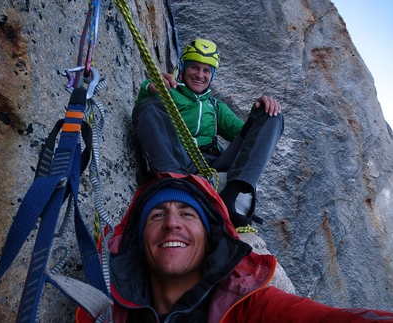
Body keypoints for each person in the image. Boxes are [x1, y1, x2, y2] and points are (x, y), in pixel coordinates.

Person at [76, 172, 393, 323]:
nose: (171, 223)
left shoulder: (249, 307)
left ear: (210, 240)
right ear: (138, 245)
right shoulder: (103, 311)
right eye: (157, 215)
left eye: (187, 214)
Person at [132, 38, 284, 228]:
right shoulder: (168, 91)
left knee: (272, 115)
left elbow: (247, 135)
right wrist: (150, 89)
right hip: (178, 161)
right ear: (183, 68)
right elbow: (145, 110)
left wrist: (259, 111)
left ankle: (232, 195)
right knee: (149, 107)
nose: (200, 75)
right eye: (194, 67)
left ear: (212, 76)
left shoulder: (215, 106)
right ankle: (178, 188)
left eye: (206, 70)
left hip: (213, 166)